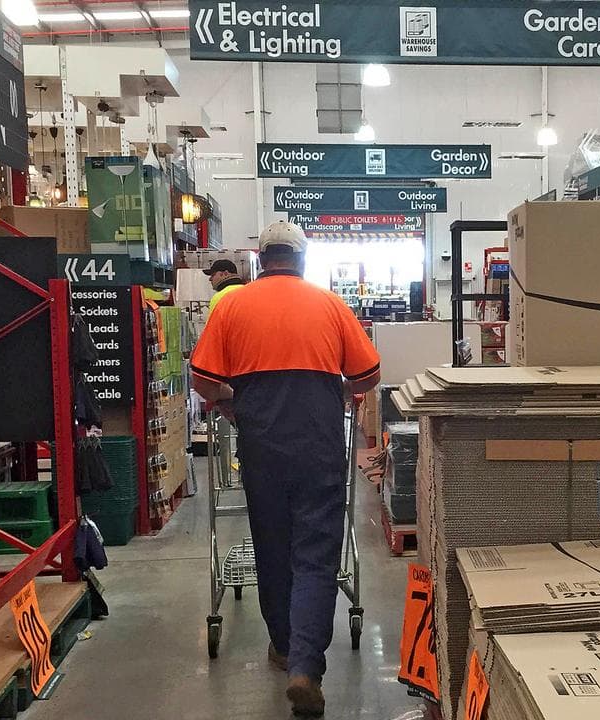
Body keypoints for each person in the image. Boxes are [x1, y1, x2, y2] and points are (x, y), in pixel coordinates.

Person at [190, 221, 381, 717]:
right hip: (319, 449)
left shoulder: (232, 305)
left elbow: (202, 380)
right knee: (316, 554)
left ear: (261, 258)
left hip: (261, 449)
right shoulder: (330, 304)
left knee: (272, 547)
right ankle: (304, 665)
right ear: (300, 261)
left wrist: (232, 402)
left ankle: (281, 645)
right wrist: (339, 389)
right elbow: (369, 373)